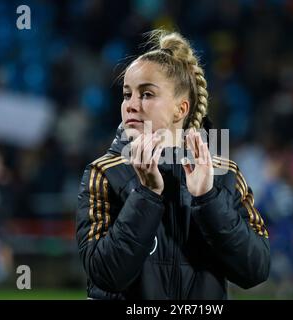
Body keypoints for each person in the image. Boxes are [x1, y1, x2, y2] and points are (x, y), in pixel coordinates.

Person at [76, 29, 270, 299]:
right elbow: (106, 275)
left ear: (181, 109)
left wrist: (208, 199)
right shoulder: (104, 173)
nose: (131, 105)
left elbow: (255, 270)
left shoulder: (225, 174)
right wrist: (146, 195)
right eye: (127, 94)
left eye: (146, 94)